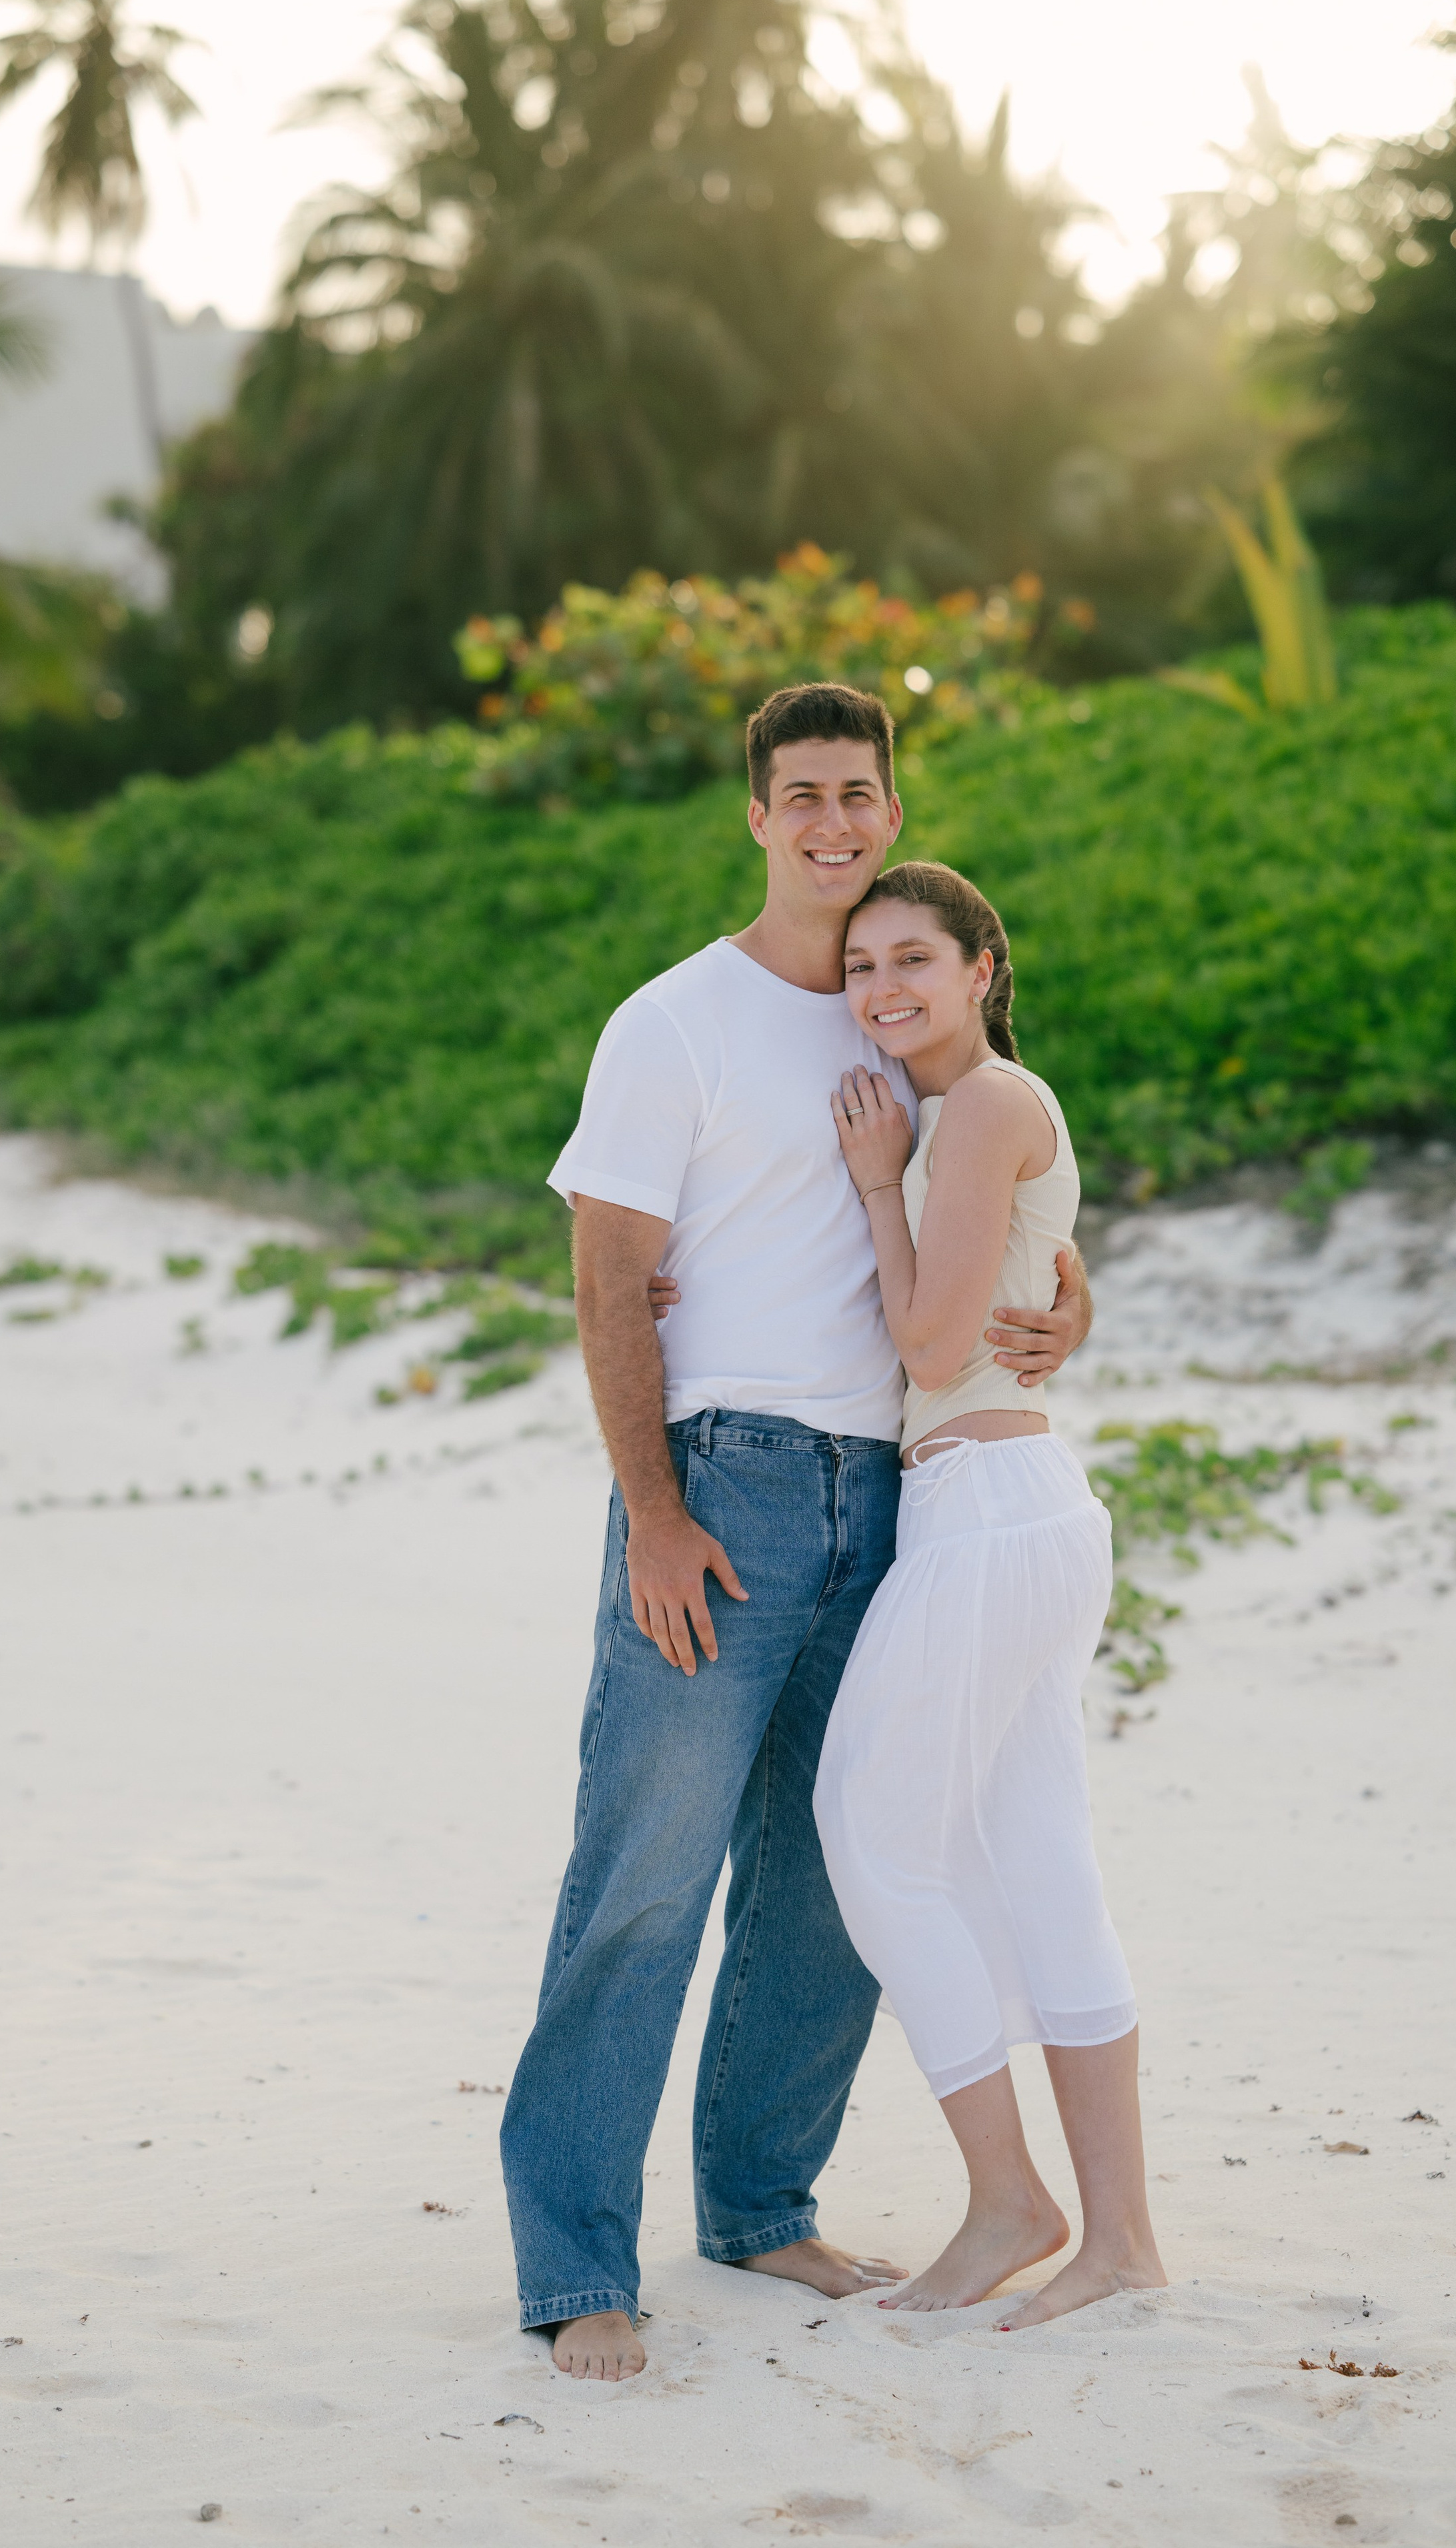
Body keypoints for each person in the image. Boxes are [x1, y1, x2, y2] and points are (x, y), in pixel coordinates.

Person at [498, 684, 1093, 2383]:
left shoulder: (897, 1007)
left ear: (889, 811)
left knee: (830, 1870)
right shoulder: (672, 1022)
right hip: (726, 1479)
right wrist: (653, 1512)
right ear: (756, 816)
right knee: (645, 1875)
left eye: (857, 792)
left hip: (893, 1491)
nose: (832, 821)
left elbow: (1008, 1191)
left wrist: (1073, 1305)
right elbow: (609, 1275)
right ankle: (576, 2261)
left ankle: (760, 2202)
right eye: (801, 795)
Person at [813, 859, 1166, 2328]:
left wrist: (873, 1185)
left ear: (980, 968)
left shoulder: (978, 1110)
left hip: (986, 1510)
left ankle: (1013, 2199)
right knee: (1039, 1860)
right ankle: (1120, 2243)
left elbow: (929, 1339)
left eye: (913, 957)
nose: (882, 986)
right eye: (860, 965)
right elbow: (1019, 1283)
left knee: (868, 1831)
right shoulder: (981, 1111)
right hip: (1007, 1507)